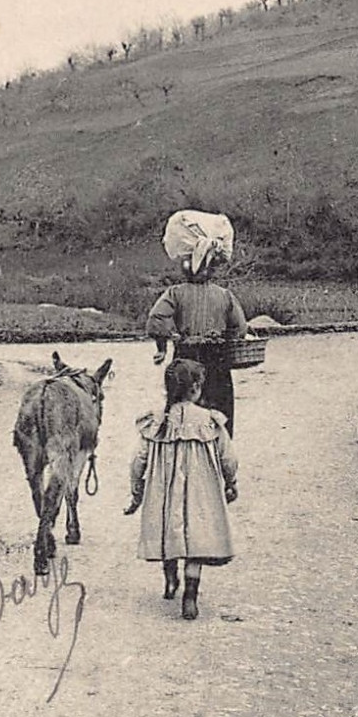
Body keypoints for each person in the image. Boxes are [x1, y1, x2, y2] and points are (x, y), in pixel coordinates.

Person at [124, 360, 239, 621]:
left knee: (169, 530)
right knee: (195, 537)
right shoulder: (210, 421)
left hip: (164, 490)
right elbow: (228, 458)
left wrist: (136, 488)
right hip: (200, 490)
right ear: (197, 387)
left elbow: (138, 459)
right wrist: (231, 482)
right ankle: (190, 595)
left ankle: (170, 580)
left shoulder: (157, 421)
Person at [145, 249, 248, 437]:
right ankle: (218, 456)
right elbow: (240, 328)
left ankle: (179, 452)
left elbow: (156, 319)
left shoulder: (175, 293)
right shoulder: (225, 295)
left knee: (180, 409)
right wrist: (228, 342)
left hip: (186, 357)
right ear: (211, 270)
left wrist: (163, 345)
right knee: (219, 413)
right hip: (217, 359)